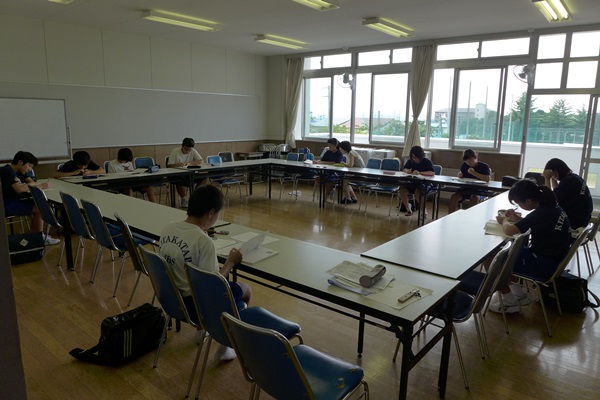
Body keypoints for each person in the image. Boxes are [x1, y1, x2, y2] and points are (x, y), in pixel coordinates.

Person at [159, 184, 249, 361]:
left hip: (172, 299)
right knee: (246, 289)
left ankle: (201, 334)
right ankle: (226, 345)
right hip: (195, 308)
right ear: (211, 213)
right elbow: (213, 285)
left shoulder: (168, 228)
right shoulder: (203, 241)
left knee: (196, 281)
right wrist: (230, 262)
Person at [489, 179, 571, 314]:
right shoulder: (552, 208)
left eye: (518, 203)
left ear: (528, 201)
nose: (519, 206)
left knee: (495, 259)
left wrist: (504, 220)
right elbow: (534, 223)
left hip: (543, 265)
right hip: (553, 260)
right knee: (508, 253)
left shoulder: (540, 213)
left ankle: (510, 302)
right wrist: (516, 219)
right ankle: (520, 296)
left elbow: (509, 231)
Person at [1, 151, 60, 244]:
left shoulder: (20, 171)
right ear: (20, 162)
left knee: (40, 205)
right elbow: (19, 189)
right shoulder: (7, 171)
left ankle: (33, 239)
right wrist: (41, 185)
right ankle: (38, 239)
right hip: (5, 204)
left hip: (14, 200)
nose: (29, 169)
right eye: (29, 166)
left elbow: (31, 182)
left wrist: (32, 184)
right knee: (40, 208)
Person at [543, 158, 592, 229]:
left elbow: (549, 199)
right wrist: (553, 178)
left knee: (544, 218)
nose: (552, 176)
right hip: (583, 219)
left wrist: (547, 179)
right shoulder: (574, 178)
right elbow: (557, 193)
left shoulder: (568, 181)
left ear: (556, 170)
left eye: (552, 174)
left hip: (574, 222)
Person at [448, 149, 491, 213]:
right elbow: (461, 174)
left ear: (475, 158)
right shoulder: (465, 165)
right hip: (466, 188)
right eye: (467, 161)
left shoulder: (484, 166)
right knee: (454, 197)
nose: (469, 163)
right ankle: (450, 216)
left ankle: (472, 216)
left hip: (480, 189)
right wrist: (460, 175)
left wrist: (474, 173)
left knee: (474, 198)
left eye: (471, 160)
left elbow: (488, 179)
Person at [166, 138, 204, 208]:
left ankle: (195, 195)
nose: (188, 151)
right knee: (178, 180)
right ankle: (184, 199)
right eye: (186, 149)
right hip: (178, 174)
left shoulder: (192, 150)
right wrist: (177, 164)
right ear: (182, 146)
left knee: (204, 177)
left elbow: (201, 161)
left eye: (189, 150)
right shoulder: (175, 151)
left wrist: (189, 163)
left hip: (189, 173)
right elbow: (169, 165)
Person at [398, 146, 435, 216]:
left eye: (416, 157)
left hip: (424, 184)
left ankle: (423, 210)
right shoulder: (411, 161)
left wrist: (420, 173)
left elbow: (432, 173)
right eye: (413, 157)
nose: (414, 159)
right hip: (413, 183)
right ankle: (408, 209)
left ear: (420, 156)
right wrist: (407, 171)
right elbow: (404, 169)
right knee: (402, 189)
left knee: (418, 191)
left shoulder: (427, 162)